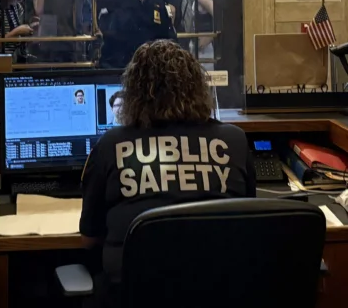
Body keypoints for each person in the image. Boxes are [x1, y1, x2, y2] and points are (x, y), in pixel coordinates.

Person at [79, 40, 256, 302]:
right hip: (219, 293)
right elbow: (250, 221)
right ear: (197, 88)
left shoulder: (111, 145)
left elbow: (88, 239)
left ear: (134, 93)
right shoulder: (235, 141)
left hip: (134, 296)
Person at [95, 0, 177, 69]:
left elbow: (167, 37)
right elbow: (112, 30)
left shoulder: (157, 2)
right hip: (116, 67)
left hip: (149, 69)